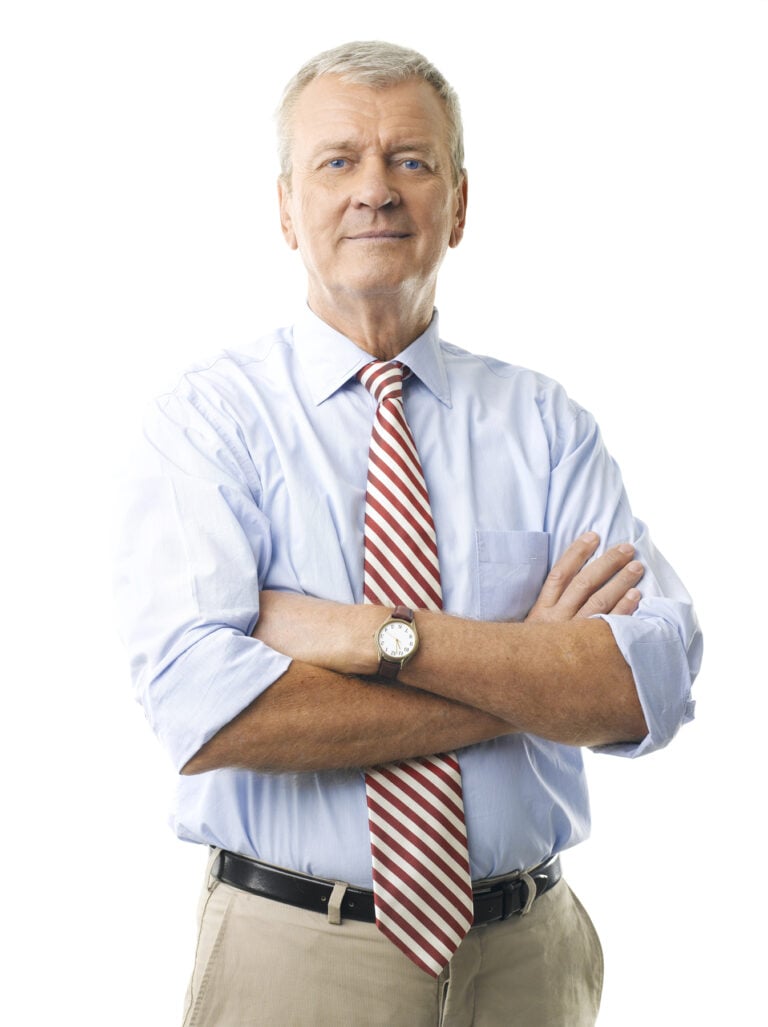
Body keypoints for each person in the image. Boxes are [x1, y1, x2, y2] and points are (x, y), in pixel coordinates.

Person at [115, 40, 702, 1026]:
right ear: (284, 207)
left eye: (411, 161)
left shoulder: (546, 425)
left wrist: (378, 638)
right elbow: (207, 713)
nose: (376, 191)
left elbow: (652, 684)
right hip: (294, 956)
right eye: (338, 160)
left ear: (459, 205)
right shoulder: (209, 422)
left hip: (532, 961)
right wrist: (533, 675)